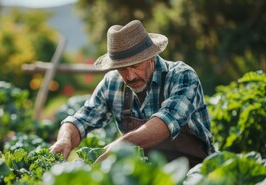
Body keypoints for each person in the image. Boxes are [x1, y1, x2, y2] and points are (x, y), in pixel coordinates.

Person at [50, 19, 215, 167]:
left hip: (194, 170)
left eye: (136, 65)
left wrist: (121, 145)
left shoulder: (181, 75)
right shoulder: (112, 83)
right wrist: (65, 137)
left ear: (151, 56)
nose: (129, 76)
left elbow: (166, 123)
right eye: (122, 68)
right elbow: (82, 119)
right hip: (144, 174)